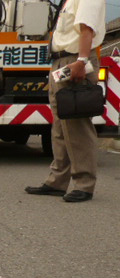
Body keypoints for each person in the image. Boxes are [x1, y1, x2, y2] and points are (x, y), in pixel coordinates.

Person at [25, 0, 106, 202]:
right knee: (61, 125)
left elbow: (87, 28)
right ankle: (57, 181)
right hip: (61, 62)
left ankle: (84, 184)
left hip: (75, 61)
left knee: (77, 125)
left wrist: (82, 61)